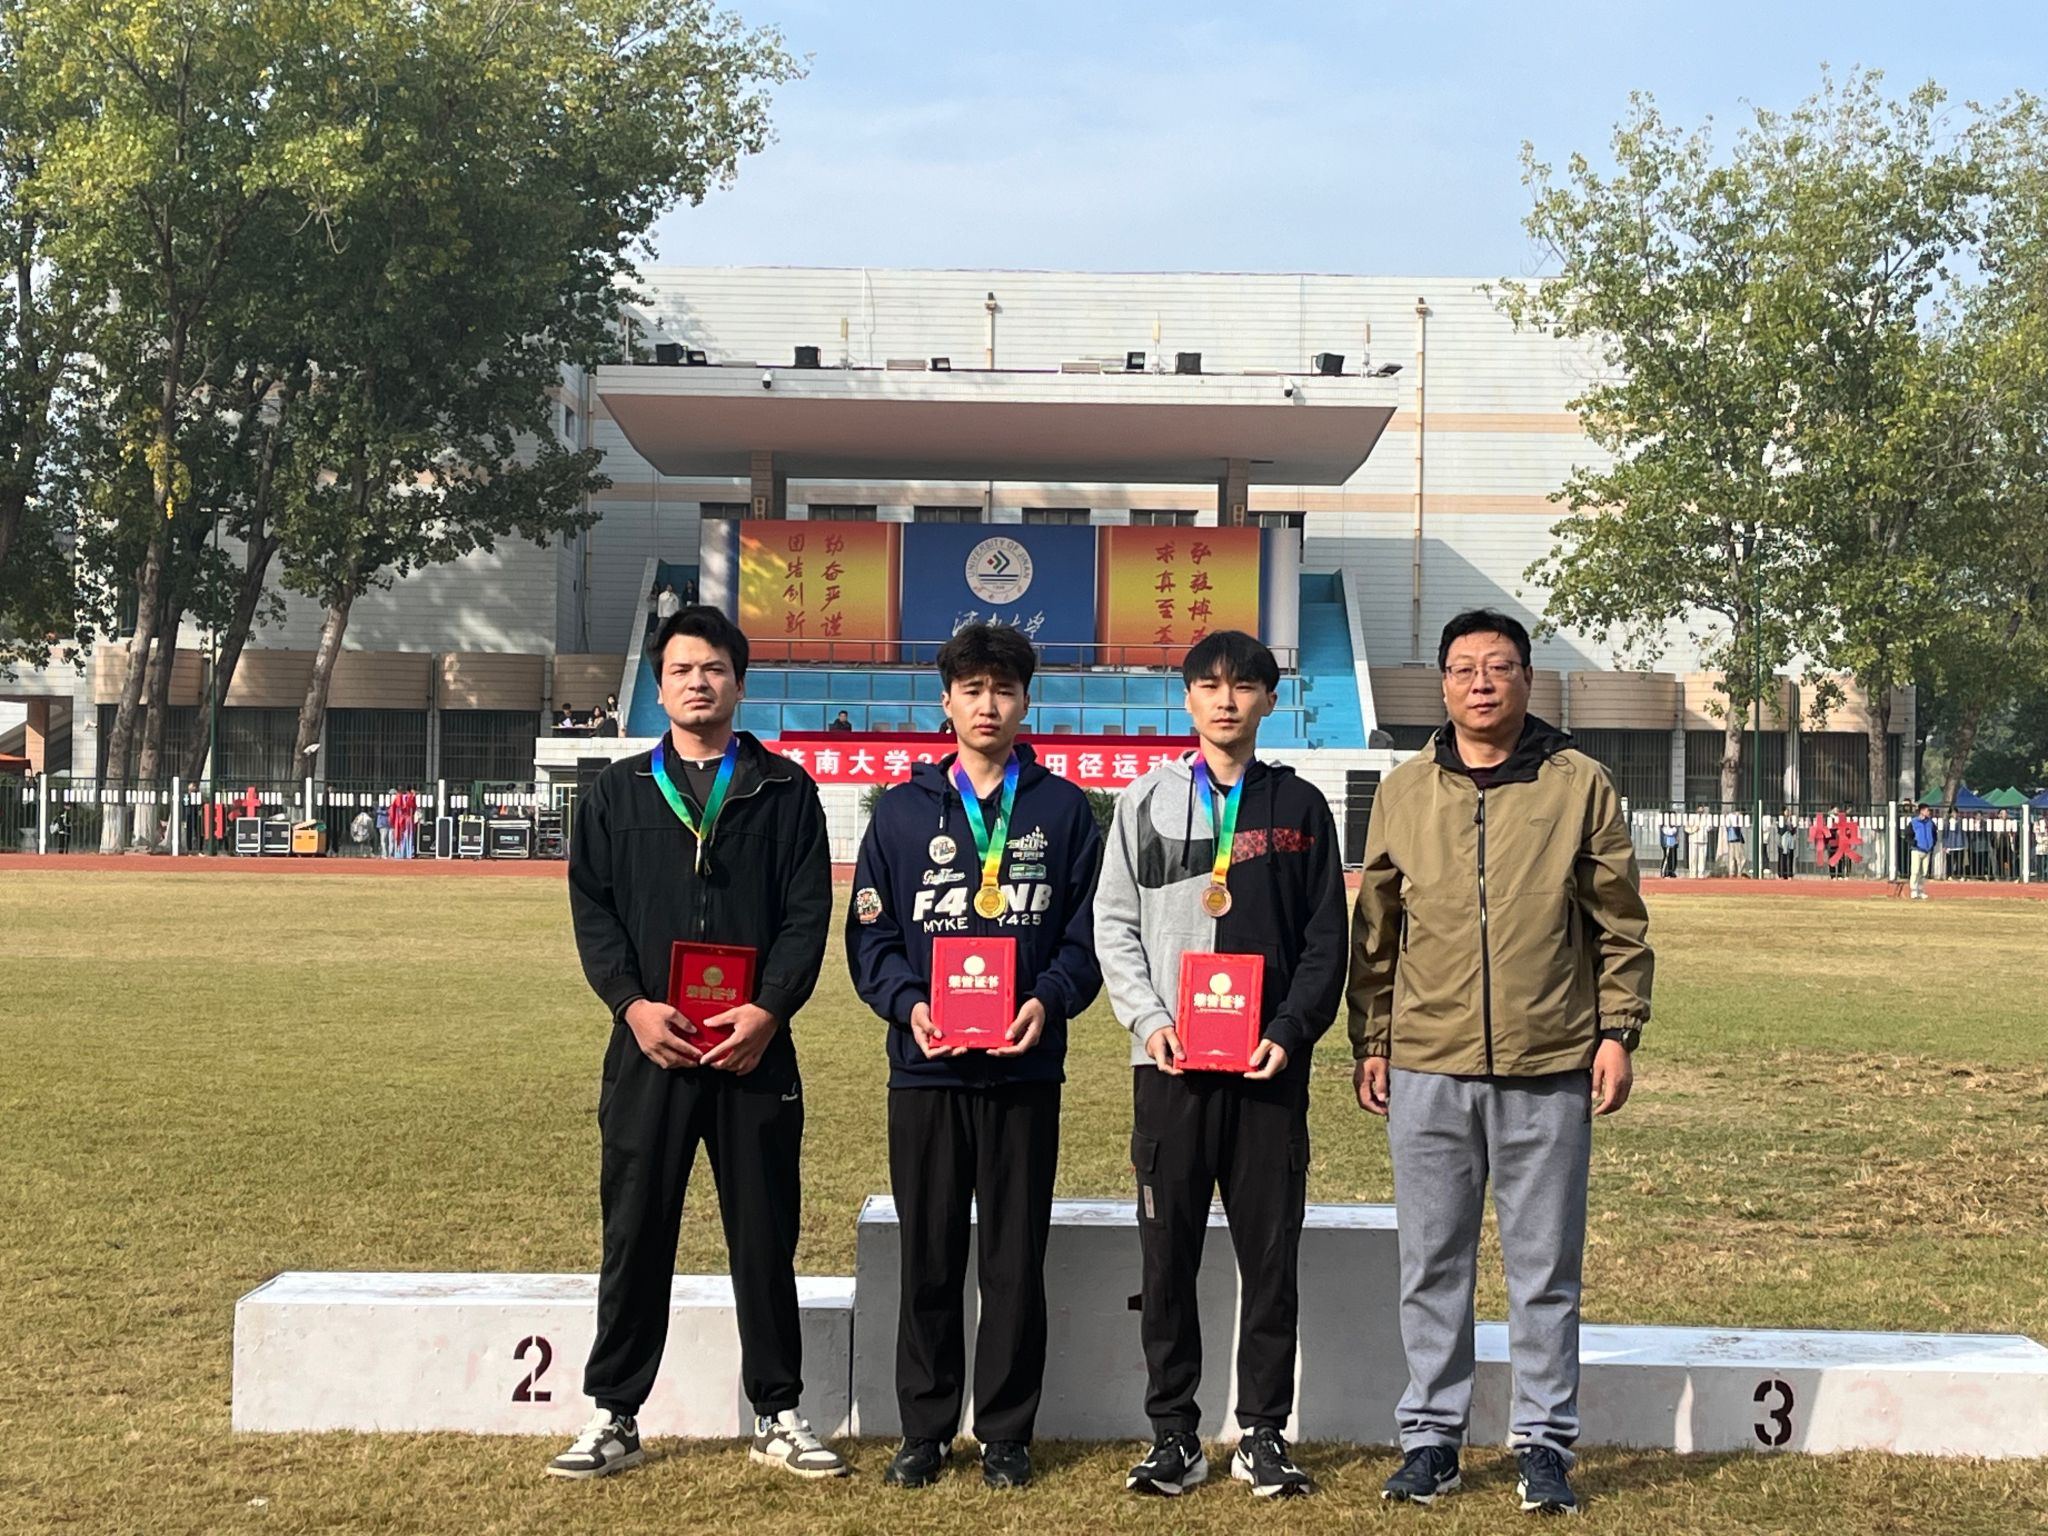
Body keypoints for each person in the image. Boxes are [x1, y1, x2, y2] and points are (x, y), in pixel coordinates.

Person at [1350, 609, 1652, 1517]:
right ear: (1443, 685)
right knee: (1431, 1262)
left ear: (1527, 677)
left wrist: (1617, 1031)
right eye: (1464, 668)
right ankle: (1431, 1440)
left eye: (1499, 666)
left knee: (1544, 1268)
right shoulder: (1405, 790)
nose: (1481, 682)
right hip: (1428, 1063)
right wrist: (1373, 1039)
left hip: (1549, 1059)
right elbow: (1377, 929)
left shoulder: (1580, 784)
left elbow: (1618, 921)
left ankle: (1544, 1444)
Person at [553, 605, 846, 1483]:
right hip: (651, 1051)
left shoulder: (785, 792)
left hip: (754, 1052)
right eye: (681, 669)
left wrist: (770, 1010)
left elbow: (807, 916)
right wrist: (632, 1007)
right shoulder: (617, 794)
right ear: (660, 684)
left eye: (714, 668)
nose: (698, 682)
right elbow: (593, 913)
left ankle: (778, 1411)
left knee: (764, 1233)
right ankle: (614, 1412)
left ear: (739, 683)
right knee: (636, 1232)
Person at [846, 622, 1104, 1492]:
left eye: (1004, 689)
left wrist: (1048, 999)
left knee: (1013, 1257)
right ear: (946, 702)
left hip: (1024, 1066)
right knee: (927, 1254)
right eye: (973, 689)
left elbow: (1086, 935)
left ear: (1026, 702)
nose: (988, 705)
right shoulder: (900, 812)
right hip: (926, 1068)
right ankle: (924, 1429)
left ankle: (1004, 1432)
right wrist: (909, 1006)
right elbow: (873, 935)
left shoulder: (1063, 811)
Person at [1095, 630, 1347, 1501]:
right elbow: (1113, 925)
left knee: (1270, 1257)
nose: (1227, 699)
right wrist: (1149, 1020)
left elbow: (1325, 938)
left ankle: (1263, 1432)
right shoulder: (1144, 802)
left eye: (1244, 686)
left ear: (1270, 700)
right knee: (1166, 1256)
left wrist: (1291, 1028)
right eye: (1210, 685)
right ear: (1188, 699)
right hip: (1168, 1068)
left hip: (1267, 1071)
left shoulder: (1299, 806)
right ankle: (1174, 1432)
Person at [1909, 804, 1939, 899]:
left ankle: (1921, 890)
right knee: (1915, 871)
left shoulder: (1931, 823)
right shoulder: (1914, 822)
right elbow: (1908, 834)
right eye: (1927, 810)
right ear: (1922, 811)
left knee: (1924, 872)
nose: (1929, 812)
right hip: (1917, 850)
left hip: (1927, 850)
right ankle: (1914, 890)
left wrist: (1932, 844)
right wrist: (1913, 843)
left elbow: (1934, 834)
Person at [1685, 804, 1711, 879]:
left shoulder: (1707, 817)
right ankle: (1692, 873)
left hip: (1703, 840)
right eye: (1699, 809)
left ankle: (1701, 873)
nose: (1700, 810)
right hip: (1693, 839)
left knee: (1702, 858)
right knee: (1693, 858)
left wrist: (1705, 828)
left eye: (1702, 809)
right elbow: (1686, 828)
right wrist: (1694, 829)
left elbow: (1709, 827)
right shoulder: (1692, 817)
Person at [393, 786, 417, 859]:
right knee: (408, 835)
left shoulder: (398, 797)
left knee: (401, 836)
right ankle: (408, 853)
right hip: (408, 818)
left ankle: (400, 853)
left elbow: (394, 809)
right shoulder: (410, 797)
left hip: (400, 818)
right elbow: (413, 807)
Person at [1776, 812, 1800, 881]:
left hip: (1790, 840)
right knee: (1782, 857)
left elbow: (1793, 831)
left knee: (1790, 857)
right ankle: (1781, 874)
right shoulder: (1781, 819)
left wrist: (1793, 826)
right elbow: (1780, 831)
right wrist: (1786, 827)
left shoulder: (1792, 819)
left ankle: (1789, 874)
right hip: (1782, 840)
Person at [1657, 812, 1681, 879]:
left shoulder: (1675, 824)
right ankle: (1664, 872)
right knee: (1667, 856)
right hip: (1667, 842)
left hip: (1674, 842)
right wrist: (1675, 829)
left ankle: (1671, 871)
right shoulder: (1664, 824)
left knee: (1674, 857)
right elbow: (1668, 832)